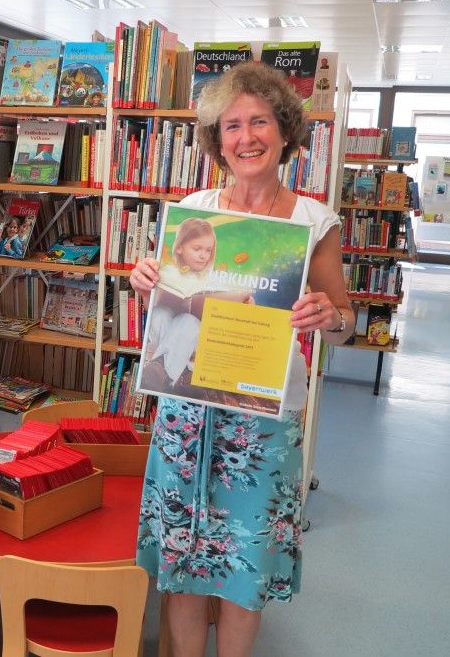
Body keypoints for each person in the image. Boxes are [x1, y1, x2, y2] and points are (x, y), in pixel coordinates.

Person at [128, 61, 355, 657]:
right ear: (216, 138)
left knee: (245, 564)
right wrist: (146, 280)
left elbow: (345, 324)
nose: (246, 137)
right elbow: (173, 301)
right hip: (189, 411)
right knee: (182, 558)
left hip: (264, 419)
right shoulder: (195, 208)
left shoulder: (313, 221)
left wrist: (330, 318)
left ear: (285, 131)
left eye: (259, 122)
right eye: (232, 125)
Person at [140, 216, 253, 395]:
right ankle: (167, 373)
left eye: (208, 250)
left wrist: (245, 304)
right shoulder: (166, 272)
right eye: (197, 249)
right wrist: (148, 291)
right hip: (167, 332)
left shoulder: (216, 278)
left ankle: (161, 368)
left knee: (188, 321)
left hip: (199, 337)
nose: (203, 255)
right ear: (179, 248)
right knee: (160, 313)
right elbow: (152, 308)